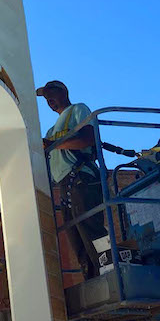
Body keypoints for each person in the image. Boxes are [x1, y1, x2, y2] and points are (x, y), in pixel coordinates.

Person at [37, 80, 107, 278]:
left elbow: (88, 137)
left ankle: (110, 272)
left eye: (51, 93)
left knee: (91, 229)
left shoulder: (78, 110)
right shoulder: (51, 131)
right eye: (45, 97)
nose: (48, 100)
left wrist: (54, 144)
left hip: (82, 179)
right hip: (65, 185)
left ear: (63, 92)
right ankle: (92, 279)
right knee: (76, 237)